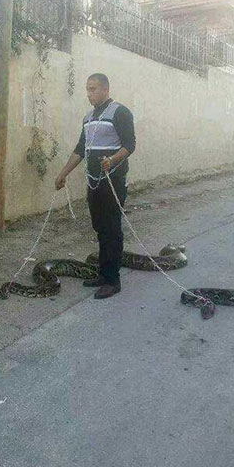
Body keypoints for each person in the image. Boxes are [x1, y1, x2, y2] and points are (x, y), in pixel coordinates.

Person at [55, 73, 136, 300]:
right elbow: (81, 149)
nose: (89, 94)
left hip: (113, 180)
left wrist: (113, 160)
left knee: (112, 228)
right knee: (100, 226)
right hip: (93, 181)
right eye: (87, 89)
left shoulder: (120, 112)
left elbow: (130, 144)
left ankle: (112, 280)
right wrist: (63, 173)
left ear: (105, 89)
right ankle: (103, 274)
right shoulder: (88, 118)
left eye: (93, 89)